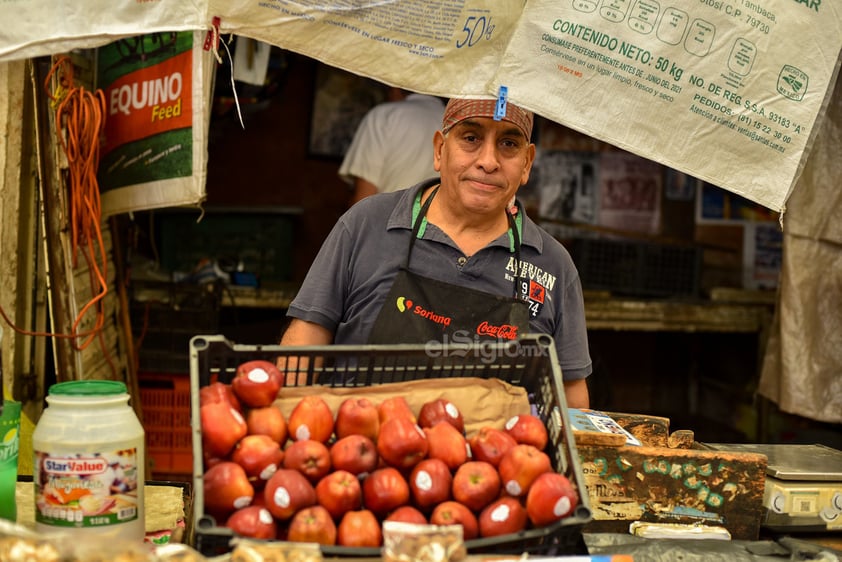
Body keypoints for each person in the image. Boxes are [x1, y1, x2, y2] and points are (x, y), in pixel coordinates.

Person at [282, 97, 592, 408]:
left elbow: (570, 393)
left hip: (492, 453)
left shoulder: (553, 265)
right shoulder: (367, 224)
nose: (488, 161)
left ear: (526, 163)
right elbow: (308, 336)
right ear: (440, 150)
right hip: (361, 447)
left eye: (509, 143)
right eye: (471, 138)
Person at [338, 87, 445, 205]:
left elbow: (363, 200)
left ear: (395, 88)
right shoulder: (452, 122)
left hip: (385, 221)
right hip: (436, 222)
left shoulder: (383, 116)